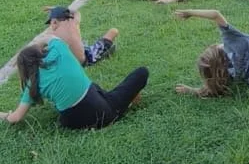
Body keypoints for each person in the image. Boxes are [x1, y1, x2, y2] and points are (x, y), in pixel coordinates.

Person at [0, 37, 148, 130]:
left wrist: (2, 115)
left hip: (70, 122)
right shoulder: (58, 51)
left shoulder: (32, 84)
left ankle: (106, 107)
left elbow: (16, 117)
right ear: (40, 51)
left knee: (93, 87)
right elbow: (50, 37)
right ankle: (118, 108)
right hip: (105, 113)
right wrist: (35, 44)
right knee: (142, 72)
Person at [41, 5, 118, 66]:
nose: (50, 25)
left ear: (54, 21)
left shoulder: (51, 34)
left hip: (71, 62)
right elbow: (76, 12)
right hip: (81, 59)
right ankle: (104, 49)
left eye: (50, 22)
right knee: (113, 31)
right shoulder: (74, 22)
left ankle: (103, 51)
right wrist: (57, 8)